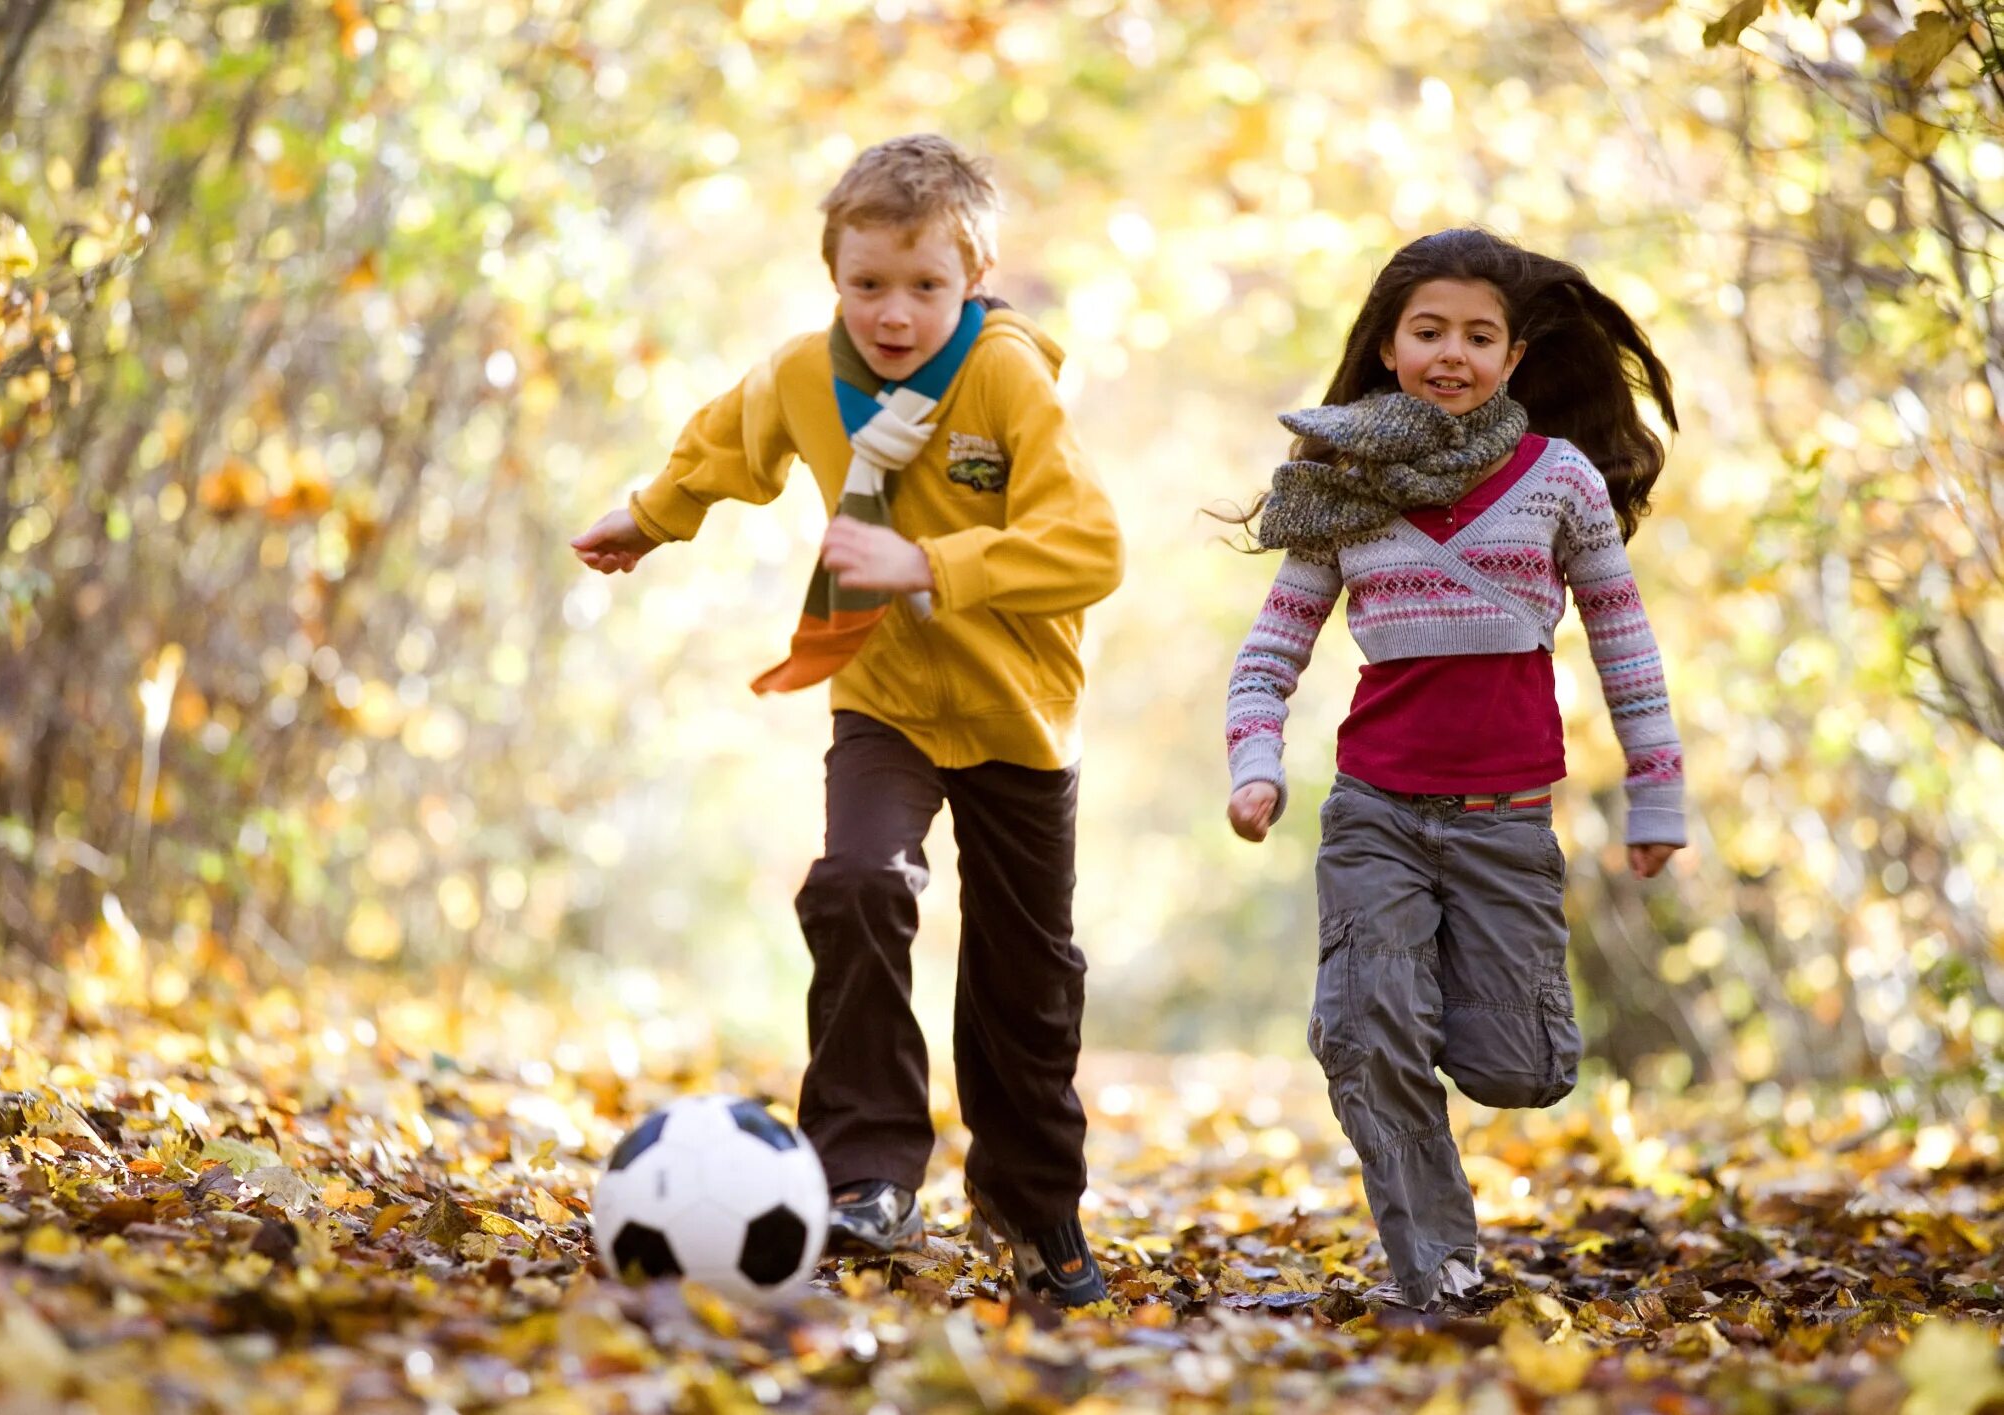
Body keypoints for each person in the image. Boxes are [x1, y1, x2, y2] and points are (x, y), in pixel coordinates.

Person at [571, 134, 1122, 1307]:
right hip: (883, 694)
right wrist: (647, 518)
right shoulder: (805, 374)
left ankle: (1032, 1206)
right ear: (834, 277)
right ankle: (866, 1170)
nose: (893, 312)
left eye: (924, 286)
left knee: (1026, 977)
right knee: (858, 882)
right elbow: (727, 443)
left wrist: (927, 560)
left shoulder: (1009, 380)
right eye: (867, 283)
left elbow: (1091, 546)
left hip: (1020, 711)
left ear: (972, 279)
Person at [1220, 227, 1685, 1312]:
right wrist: (1255, 761)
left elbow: (1624, 640)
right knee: (1364, 1033)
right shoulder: (1342, 482)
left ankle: (1444, 1020)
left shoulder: (1557, 481)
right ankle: (1439, 1268)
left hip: (1506, 820)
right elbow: (1269, 647)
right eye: (1427, 330)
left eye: (1479, 336)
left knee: (1521, 1068)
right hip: (1374, 809)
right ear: (1387, 344)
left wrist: (1656, 791)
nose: (1451, 353)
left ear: (1514, 358)